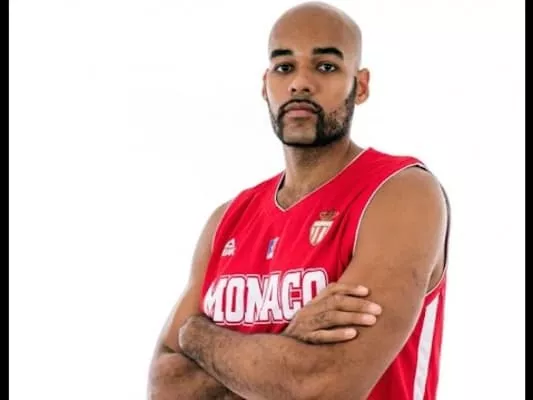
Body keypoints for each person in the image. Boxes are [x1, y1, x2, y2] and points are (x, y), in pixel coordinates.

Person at [147, 2, 451, 399]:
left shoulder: (400, 193)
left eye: (325, 66)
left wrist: (197, 337)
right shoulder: (227, 219)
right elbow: (164, 386)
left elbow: (323, 386)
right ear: (265, 85)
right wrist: (288, 344)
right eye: (284, 67)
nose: (300, 83)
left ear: (360, 86)